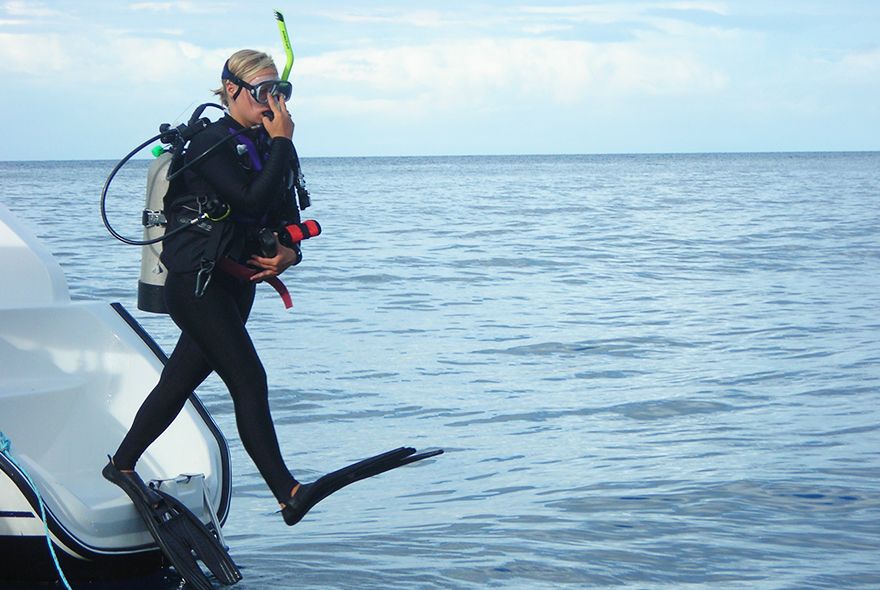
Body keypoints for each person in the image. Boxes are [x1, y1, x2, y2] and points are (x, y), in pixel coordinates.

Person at [109, 49, 304, 519]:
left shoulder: (269, 145)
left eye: (281, 91)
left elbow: (287, 216)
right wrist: (281, 143)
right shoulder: (209, 145)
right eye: (263, 92)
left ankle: (123, 465)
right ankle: (288, 493)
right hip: (196, 286)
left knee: (179, 382)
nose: (273, 102)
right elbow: (248, 199)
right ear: (232, 90)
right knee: (249, 379)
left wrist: (289, 254)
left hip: (239, 285)